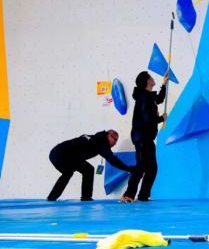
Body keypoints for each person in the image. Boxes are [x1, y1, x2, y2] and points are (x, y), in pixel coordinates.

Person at [47, 130, 133, 201]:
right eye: (115, 139)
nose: (115, 143)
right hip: (62, 155)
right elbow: (112, 160)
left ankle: (52, 197)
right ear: (110, 135)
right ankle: (86, 197)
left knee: (74, 172)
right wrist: (127, 168)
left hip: (56, 153)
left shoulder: (95, 138)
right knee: (84, 170)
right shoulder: (102, 142)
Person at [121, 71, 167, 203]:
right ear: (148, 81)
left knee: (150, 168)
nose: (153, 79)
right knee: (143, 167)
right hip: (143, 138)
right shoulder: (144, 98)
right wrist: (161, 118)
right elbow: (148, 119)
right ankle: (129, 195)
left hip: (144, 138)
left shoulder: (146, 96)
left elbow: (159, 99)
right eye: (151, 77)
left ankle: (142, 195)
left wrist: (164, 85)